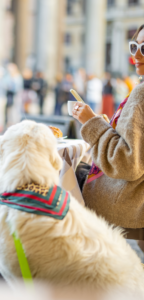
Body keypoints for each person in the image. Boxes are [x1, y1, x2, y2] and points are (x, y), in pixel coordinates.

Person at [71, 24, 144, 247]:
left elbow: (127, 163)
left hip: (127, 202)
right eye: (134, 46)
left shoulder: (141, 93)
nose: (137, 55)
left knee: (50, 180)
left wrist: (91, 122)